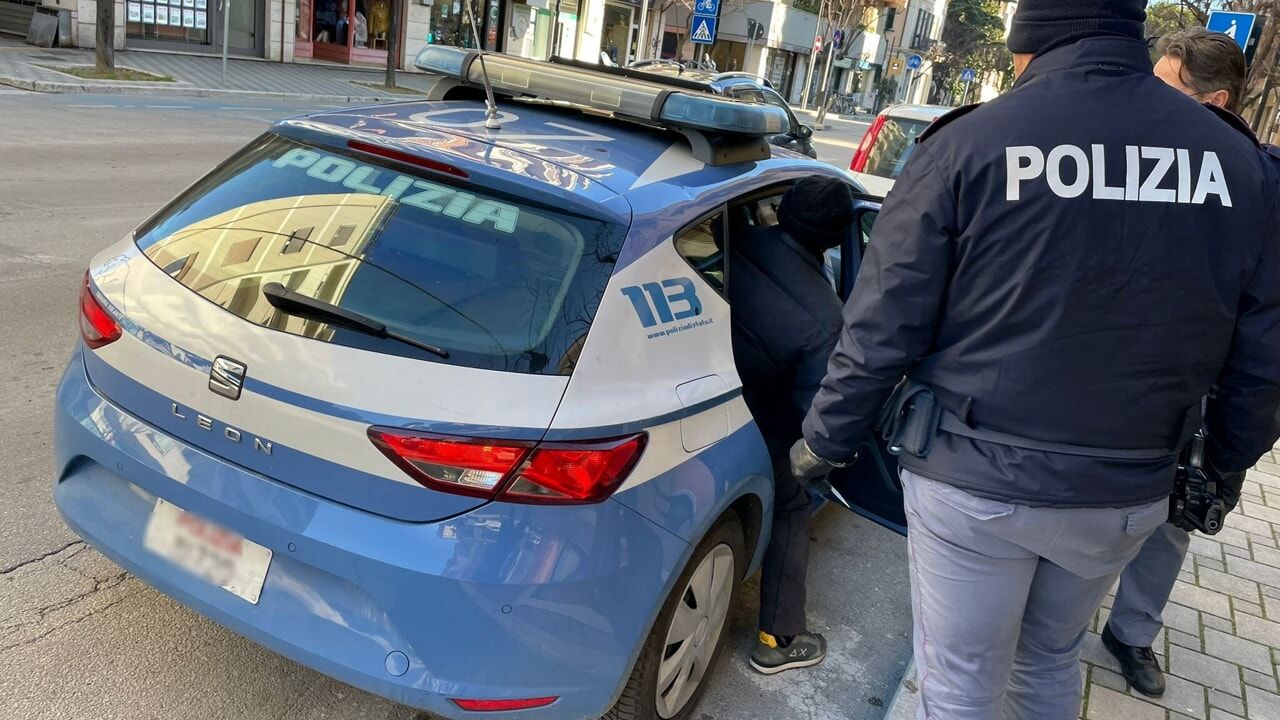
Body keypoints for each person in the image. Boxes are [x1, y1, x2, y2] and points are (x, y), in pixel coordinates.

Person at [789, 1, 1280, 718]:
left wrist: (826, 439)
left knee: (959, 683)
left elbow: (882, 323)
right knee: (1049, 659)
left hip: (974, 479)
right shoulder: (1241, 165)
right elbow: (1263, 361)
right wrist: (1221, 467)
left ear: (1034, 38)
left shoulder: (970, 142)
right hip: (1126, 487)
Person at [1102, 25, 1253, 698]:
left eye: (1167, 91)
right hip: (1102, 373)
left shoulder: (1255, 185)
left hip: (1192, 392)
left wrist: (1232, 448)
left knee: (1169, 522)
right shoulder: (1121, 157)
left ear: (1216, 102)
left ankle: (1131, 632)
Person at [728, 177, 855, 674]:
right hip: (762, 422)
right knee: (793, 504)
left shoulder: (738, 239)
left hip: (707, 391)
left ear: (782, 210)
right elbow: (812, 414)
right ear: (836, 237)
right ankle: (777, 640)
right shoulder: (827, 319)